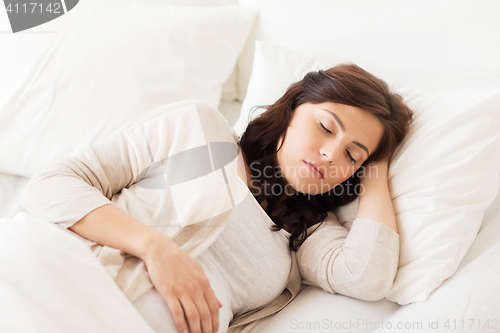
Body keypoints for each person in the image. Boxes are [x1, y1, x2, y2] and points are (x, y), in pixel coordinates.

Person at [21, 63, 413, 333]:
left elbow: (368, 277)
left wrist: (376, 166)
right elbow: (50, 184)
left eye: (351, 155)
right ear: (293, 109)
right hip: (54, 282)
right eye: (326, 127)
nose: (330, 155)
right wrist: (155, 247)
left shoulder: (308, 232)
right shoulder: (199, 128)